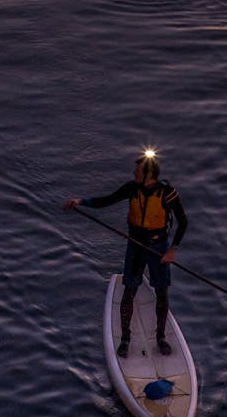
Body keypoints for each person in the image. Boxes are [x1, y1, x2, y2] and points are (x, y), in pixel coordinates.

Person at [63, 151, 188, 358]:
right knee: (129, 290)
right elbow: (106, 200)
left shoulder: (167, 193)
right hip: (136, 245)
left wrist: (172, 250)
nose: (133, 173)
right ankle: (125, 339)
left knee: (162, 293)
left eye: (137, 172)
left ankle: (161, 337)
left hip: (158, 248)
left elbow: (183, 221)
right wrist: (80, 201)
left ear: (150, 176)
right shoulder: (132, 188)